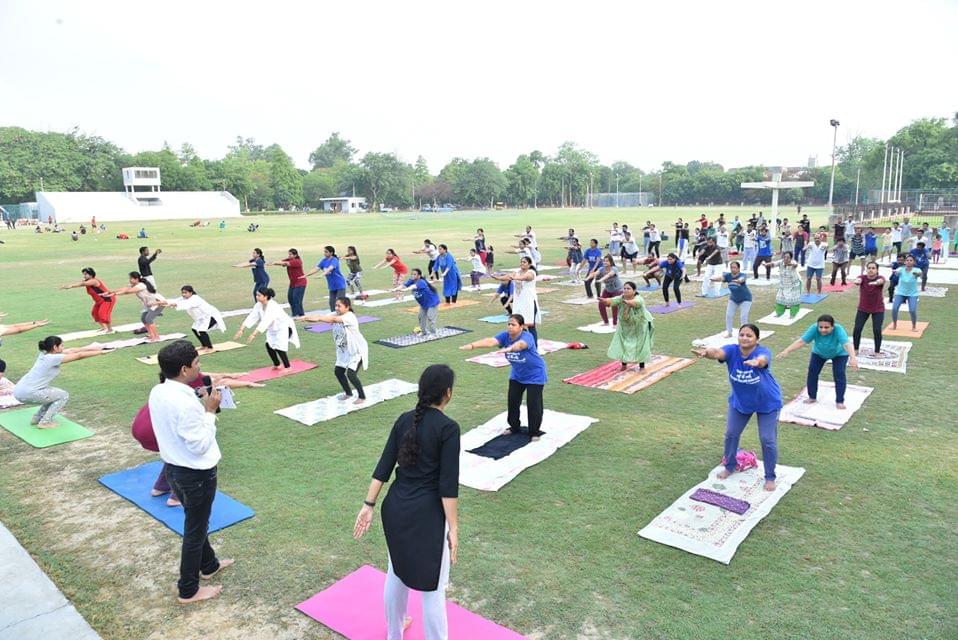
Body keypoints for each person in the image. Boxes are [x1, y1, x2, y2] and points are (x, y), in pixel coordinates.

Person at [353, 364, 459, 639]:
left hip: (396, 510)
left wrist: (368, 505)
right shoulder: (448, 428)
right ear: (447, 393)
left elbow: (383, 467)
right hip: (427, 518)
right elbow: (447, 487)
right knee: (433, 590)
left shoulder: (404, 419)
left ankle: (394, 634)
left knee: (396, 573)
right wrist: (454, 529)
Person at [149, 340, 233, 604]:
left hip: (177, 470)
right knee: (195, 530)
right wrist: (208, 412)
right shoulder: (182, 402)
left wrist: (200, 402)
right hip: (195, 474)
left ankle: (209, 566)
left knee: (197, 523)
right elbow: (198, 445)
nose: (200, 367)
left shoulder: (160, 391)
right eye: (197, 364)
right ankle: (188, 590)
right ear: (185, 369)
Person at [691, 324, 781, 491]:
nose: (745, 338)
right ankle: (730, 466)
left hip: (767, 402)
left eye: (749, 336)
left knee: (767, 440)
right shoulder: (732, 351)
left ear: (757, 340)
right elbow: (718, 353)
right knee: (731, 434)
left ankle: (770, 476)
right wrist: (707, 353)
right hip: (741, 402)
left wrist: (758, 362)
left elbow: (764, 359)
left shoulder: (763, 351)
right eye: (742, 335)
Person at [461, 315, 547, 437]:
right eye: (509, 324)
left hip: (535, 375)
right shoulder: (505, 336)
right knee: (512, 401)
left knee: (533, 404)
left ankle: (534, 432)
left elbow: (521, 345)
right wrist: (472, 345)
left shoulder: (527, 337)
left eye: (513, 325)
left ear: (521, 327)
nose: (510, 327)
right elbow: (491, 341)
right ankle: (514, 427)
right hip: (517, 375)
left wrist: (510, 349)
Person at [13, 336, 110, 428]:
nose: (64, 348)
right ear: (55, 347)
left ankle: (37, 418)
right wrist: (100, 352)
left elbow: (72, 350)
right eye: (62, 345)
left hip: (19, 390)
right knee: (63, 395)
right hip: (29, 393)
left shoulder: (44, 353)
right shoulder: (53, 358)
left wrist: (95, 348)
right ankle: (44, 422)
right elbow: (78, 356)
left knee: (52, 396)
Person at [779, 314, 859, 410]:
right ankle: (812, 397)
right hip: (819, 353)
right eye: (820, 327)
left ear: (833, 326)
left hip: (839, 354)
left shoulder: (838, 330)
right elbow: (802, 341)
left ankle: (840, 401)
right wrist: (787, 350)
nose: (823, 330)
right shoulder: (814, 328)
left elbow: (846, 344)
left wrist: (853, 357)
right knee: (812, 372)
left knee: (839, 374)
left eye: (826, 327)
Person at [302, 297, 369, 404]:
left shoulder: (349, 316)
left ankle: (362, 396)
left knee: (351, 374)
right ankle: (348, 393)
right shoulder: (336, 314)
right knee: (338, 372)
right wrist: (305, 317)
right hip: (343, 351)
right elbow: (320, 316)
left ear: (347, 307)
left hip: (356, 351)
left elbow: (332, 320)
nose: (337, 308)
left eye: (339, 306)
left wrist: (315, 318)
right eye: (336, 305)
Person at [234, 287, 300, 370]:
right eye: (256, 295)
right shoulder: (258, 305)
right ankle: (277, 364)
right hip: (273, 329)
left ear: (265, 297)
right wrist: (241, 329)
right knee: (269, 345)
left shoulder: (272, 306)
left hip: (284, 328)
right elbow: (252, 316)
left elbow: (265, 321)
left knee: (279, 347)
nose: (256, 296)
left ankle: (288, 367)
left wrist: (253, 334)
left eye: (259, 295)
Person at [601, 282, 654, 369]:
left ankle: (642, 367)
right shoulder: (621, 298)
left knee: (641, 345)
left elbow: (636, 303)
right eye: (624, 288)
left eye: (628, 288)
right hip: (625, 326)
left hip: (640, 326)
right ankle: (624, 365)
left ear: (634, 291)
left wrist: (628, 302)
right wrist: (605, 301)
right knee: (623, 344)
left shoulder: (639, 298)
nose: (625, 290)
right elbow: (613, 301)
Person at [163, 286, 227, 352]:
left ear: (191, 292)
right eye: (182, 293)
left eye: (185, 293)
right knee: (194, 329)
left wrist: (174, 304)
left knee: (201, 330)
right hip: (203, 318)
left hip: (211, 316)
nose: (183, 294)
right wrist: (163, 302)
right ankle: (204, 345)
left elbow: (186, 304)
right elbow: (176, 300)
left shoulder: (195, 299)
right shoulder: (184, 299)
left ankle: (210, 347)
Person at [108, 272, 166, 342]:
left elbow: (128, 291)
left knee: (148, 319)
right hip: (150, 304)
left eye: (131, 278)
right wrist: (111, 292)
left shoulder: (141, 285)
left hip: (158, 302)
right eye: (130, 278)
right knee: (143, 318)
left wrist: (115, 294)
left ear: (137, 279)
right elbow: (125, 288)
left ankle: (156, 336)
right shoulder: (135, 285)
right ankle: (151, 335)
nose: (130, 280)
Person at [493, 257, 541, 342]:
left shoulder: (531, 272)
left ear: (529, 264)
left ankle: (534, 346)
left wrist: (515, 278)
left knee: (530, 326)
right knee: (518, 324)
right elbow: (508, 277)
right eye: (521, 262)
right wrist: (497, 278)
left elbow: (526, 277)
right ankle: (523, 342)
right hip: (519, 303)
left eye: (524, 262)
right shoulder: (517, 272)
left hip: (529, 302)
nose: (522, 263)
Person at [59, 267, 116, 333]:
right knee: (95, 313)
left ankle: (110, 329)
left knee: (103, 314)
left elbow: (82, 284)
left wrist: (71, 286)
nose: (84, 276)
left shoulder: (94, 281)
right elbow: (81, 284)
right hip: (99, 301)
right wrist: (70, 286)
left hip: (107, 299)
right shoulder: (87, 281)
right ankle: (104, 327)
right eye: (84, 274)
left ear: (91, 275)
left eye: (86, 274)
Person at [852, 262, 886, 354]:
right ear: (866, 269)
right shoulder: (862, 278)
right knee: (857, 328)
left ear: (877, 270)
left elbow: (881, 282)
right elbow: (858, 279)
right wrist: (857, 281)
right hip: (863, 308)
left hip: (878, 309)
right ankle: (855, 349)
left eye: (873, 268)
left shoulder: (880, 278)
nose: (871, 270)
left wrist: (875, 283)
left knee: (877, 330)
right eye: (869, 268)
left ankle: (877, 351)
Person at [711, 261, 752, 338]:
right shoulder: (728, 276)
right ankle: (729, 332)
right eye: (731, 267)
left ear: (739, 269)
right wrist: (714, 279)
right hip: (734, 299)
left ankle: (744, 334)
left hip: (746, 299)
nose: (733, 269)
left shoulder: (742, 275)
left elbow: (742, 279)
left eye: (735, 267)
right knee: (729, 315)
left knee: (743, 316)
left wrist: (738, 281)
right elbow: (722, 278)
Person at [394, 269, 441, 336]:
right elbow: (403, 285)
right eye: (412, 274)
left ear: (419, 276)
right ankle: (424, 332)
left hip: (432, 302)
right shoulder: (411, 280)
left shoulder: (421, 282)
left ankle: (433, 333)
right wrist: (395, 289)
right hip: (423, 303)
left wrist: (405, 290)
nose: (412, 275)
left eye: (414, 274)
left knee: (431, 317)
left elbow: (413, 286)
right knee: (421, 317)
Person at [303, 246, 348, 312]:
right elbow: (316, 268)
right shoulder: (323, 260)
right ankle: (334, 318)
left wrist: (322, 275)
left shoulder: (334, 260)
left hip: (340, 284)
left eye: (326, 252)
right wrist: (306, 275)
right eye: (324, 251)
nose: (324, 253)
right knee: (332, 303)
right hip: (332, 285)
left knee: (340, 303)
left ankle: (343, 317)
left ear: (331, 253)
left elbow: (330, 268)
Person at [271, 248, 307, 318]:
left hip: (300, 282)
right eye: (289, 254)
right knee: (290, 297)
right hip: (293, 283)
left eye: (290, 254)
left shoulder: (297, 261)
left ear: (295, 255)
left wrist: (274, 263)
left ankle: (301, 314)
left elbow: (285, 263)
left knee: (296, 298)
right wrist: (274, 263)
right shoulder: (290, 259)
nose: (289, 256)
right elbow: (282, 262)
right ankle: (294, 314)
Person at [890, 255, 921, 332]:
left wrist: (916, 274)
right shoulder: (901, 269)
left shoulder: (917, 270)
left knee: (912, 310)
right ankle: (894, 324)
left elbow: (920, 274)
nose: (909, 262)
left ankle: (914, 326)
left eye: (911, 260)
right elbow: (897, 273)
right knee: (894, 308)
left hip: (912, 294)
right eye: (907, 260)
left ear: (914, 262)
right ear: (905, 262)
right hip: (900, 292)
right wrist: (895, 272)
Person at [594, 255, 624, 327]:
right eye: (604, 261)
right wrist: (589, 277)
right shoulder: (601, 269)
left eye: (607, 261)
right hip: (608, 290)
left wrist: (601, 280)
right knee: (601, 303)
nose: (605, 262)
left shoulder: (614, 269)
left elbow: (609, 275)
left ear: (611, 262)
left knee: (614, 305)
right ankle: (606, 322)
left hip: (617, 290)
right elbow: (595, 273)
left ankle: (615, 323)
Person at [771, 252, 802, 318]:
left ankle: (792, 314)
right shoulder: (781, 262)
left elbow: (795, 265)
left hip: (794, 285)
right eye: (785, 257)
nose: (786, 258)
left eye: (788, 257)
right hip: (783, 285)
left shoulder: (793, 262)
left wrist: (789, 264)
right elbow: (773, 264)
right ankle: (779, 313)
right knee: (780, 299)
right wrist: (765, 264)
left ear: (791, 258)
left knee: (794, 301)